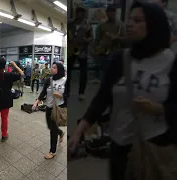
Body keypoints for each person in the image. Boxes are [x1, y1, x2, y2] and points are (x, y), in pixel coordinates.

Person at [68, 2, 177, 180]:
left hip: (155, 145)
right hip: (120, 145)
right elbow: (102, 97)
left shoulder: (171, 62)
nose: (130, 24)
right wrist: (79, 131)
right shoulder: (121, 59)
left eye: (138, 20)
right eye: (129, 19)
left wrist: (157, 109)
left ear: (154, 25)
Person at [32, 62, 68, 159]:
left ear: (59, 69)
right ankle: (61, 133)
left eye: (55, 67)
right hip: (48, 107)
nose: (52, 69)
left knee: (53, 130)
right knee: (50, 126)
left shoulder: (65, 81)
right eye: (52, 67)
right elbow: (43, 92)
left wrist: (61, 96)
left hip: (58, 108)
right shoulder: (49, 80)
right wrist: (37, 101)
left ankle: (52, 151)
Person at [0, 58, 24, 142]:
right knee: (4, 118)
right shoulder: (10, 75)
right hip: (6, 101)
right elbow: (22, 74)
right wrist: (15, 65)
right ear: (5, 66)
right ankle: (4, 135)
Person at [92, 5, 125, 84]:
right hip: (103, 51)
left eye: (113, 12)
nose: (111, 14)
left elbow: (125, 39)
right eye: (109, 12)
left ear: (115, 13)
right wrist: (95, 49)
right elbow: (97, 39)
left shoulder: (121, 25)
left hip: (115, 50)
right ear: (107, 13)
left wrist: (116, 38)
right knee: (104, 70)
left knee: (113, 72)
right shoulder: (102, 25)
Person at [68, 7, 93, 100]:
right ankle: (67, 92)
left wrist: (86, 40)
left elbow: (91, 37)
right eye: (78, 13)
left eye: (82, 13)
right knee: (68, 72)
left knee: (83, 73)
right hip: (71, 49)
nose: (80, 15)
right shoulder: (70, 23)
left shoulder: (87, 24)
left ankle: (81, 92)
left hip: (82, 50)